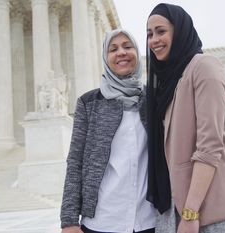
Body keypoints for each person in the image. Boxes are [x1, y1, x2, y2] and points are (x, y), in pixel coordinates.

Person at [146, 3, 225, 233]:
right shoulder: (166, 83)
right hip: (176, 209)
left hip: (210, 210)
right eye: (149, 34)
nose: (153, 40)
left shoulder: (204, 66)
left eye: (161, 31)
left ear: (180, 30)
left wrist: (190, 212)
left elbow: (209, 145)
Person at [60, 29, 157, 233]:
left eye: (127, 46)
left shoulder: (154, 99)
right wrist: (69, 220)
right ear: (106, 58)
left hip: (149, 221)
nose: (121, 52)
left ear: (137, 53)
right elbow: (75, 161)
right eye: (113, 49)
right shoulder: (89, 103)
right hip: (102, 222)